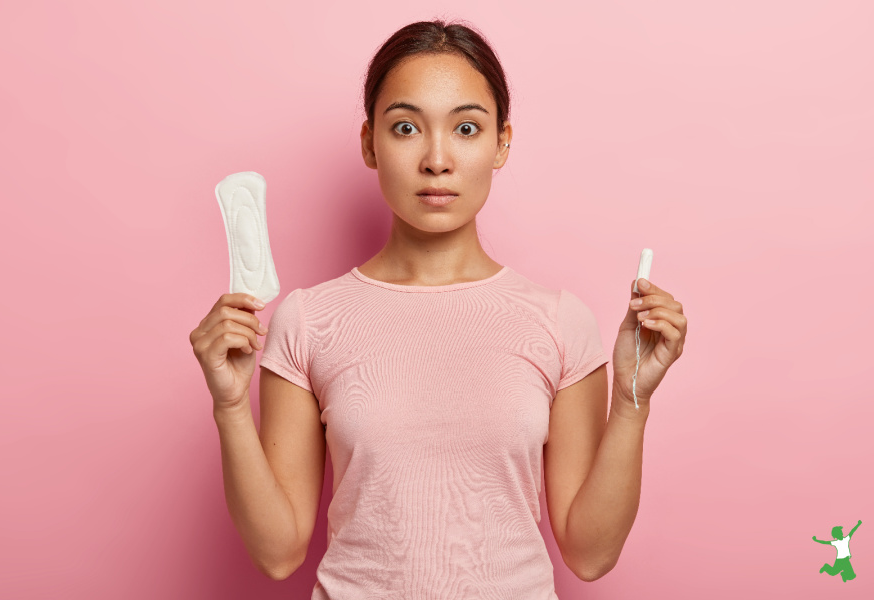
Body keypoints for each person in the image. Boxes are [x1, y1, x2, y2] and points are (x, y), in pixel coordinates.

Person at [190, 18, 687, 597]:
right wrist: (229, 405)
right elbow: (278, 554)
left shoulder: (560, 322)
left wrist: (632, 400)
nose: (436, 159)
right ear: (369, 143)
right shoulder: (307, 321)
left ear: (501, 142)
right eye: (405, 127)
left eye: (466, 129)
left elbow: (591, 553)